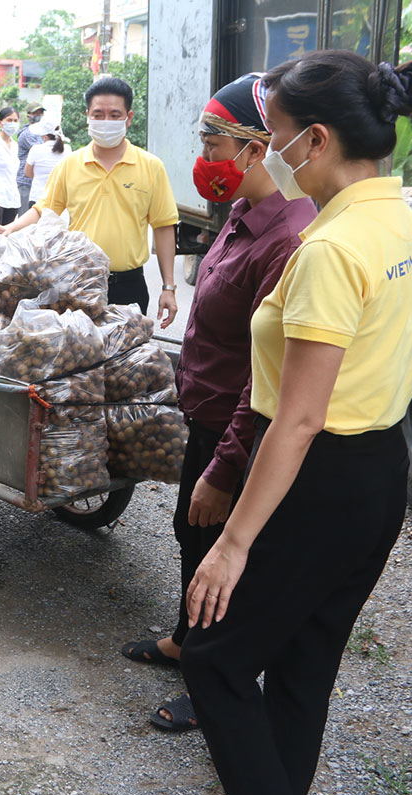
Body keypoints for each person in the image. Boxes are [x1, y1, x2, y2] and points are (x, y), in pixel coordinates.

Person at [177, 52, 412, 795]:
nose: (273, 153)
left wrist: (232, 544)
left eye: (279, 135)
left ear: (316, 139)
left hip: (315, 477)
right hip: (380, 472)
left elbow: (296, 420)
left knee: (213, 659)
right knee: (304, 661)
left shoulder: (330, 249)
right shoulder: (402, 223)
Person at [117, 73, 318, 737]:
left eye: (213, 143)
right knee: (190, 531)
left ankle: (215, 685)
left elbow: (266, 377)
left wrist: (227, 467)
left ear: (257, 149)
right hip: (203, 415)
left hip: (239, 430)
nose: (203, 156)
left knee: (223, 554)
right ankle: (185, 642)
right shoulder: (239, 213)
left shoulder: (287, 239)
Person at [1, 77, 180, 326]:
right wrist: (10, 228)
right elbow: (44, 210)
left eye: (114, 114)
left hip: (129, 285)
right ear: (88, 116)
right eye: (98, 114)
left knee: (128, 350)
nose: (106, 121)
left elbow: (163, 226)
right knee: (79, 348)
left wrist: (168, 287)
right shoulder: (70, 165)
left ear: (128, 118)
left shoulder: (151, 166)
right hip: (78, 282)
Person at [23, 119, 67, 208]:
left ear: (45, 136)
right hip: (59, 200)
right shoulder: (67, 150)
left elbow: (27, 173)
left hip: (37, 198)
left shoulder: (36, 149)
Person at [15, 101, 46, 216]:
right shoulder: (27, 134)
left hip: (36, 182)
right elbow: (43, 151)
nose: (39, 116)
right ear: (28, 116)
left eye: (41, 113)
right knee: (25, 216)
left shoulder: (42, 133)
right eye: (36, 113)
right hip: (26, 182)